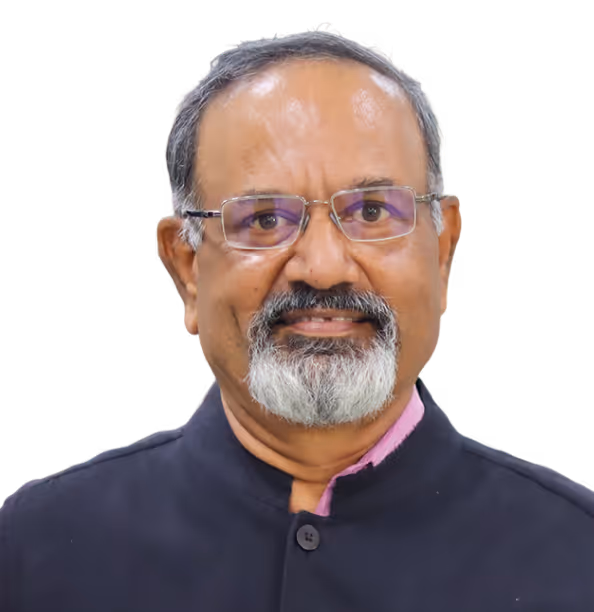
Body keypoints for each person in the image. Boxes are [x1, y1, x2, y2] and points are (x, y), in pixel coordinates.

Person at [2, 23, 592, 611]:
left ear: (443, 253)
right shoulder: (33, 549)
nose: (324, 267)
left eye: (371, 211)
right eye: (263, 219)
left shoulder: (577, 554)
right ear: (186, 266)